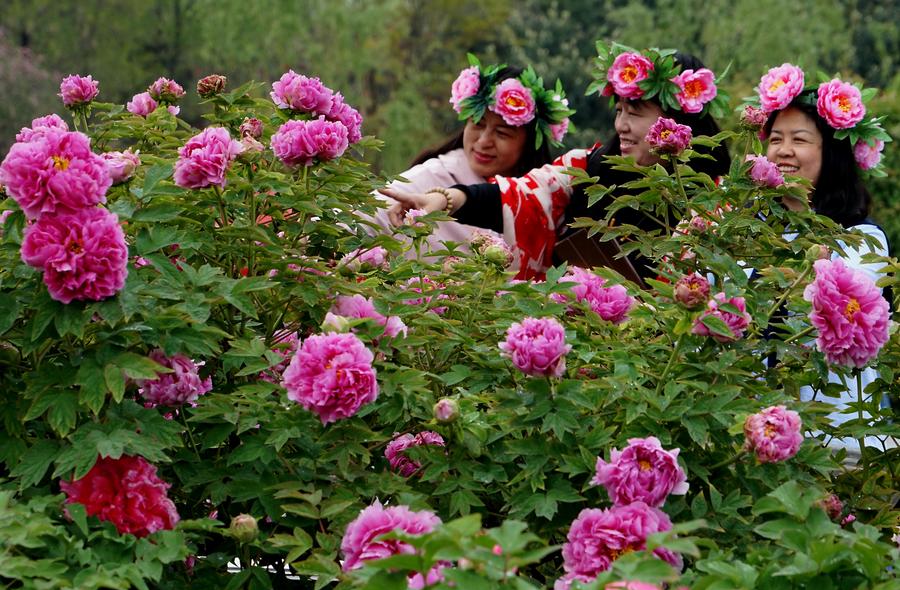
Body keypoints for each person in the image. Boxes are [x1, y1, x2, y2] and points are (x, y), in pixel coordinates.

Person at [383, 43, 731, 281]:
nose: (620, 125)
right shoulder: (588, 168)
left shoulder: (718, 202)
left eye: (635, 113)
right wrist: (446, 199)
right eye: (619, 111)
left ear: (678, 120)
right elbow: (520, 197)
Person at [754, 63, 893, 459]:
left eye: (800, 139)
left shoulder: (863, 239)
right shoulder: (745, 231)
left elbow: (831, 308)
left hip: (839, 443)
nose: (783, 150)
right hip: (757, 437)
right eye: (775, 138)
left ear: (830, 154)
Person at [366, 59, 573, 257]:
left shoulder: (545, 198)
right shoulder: (433, 176)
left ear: (529, 145)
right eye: (478, 124)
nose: (484, 141)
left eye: (502, 133)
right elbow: (362, 219)